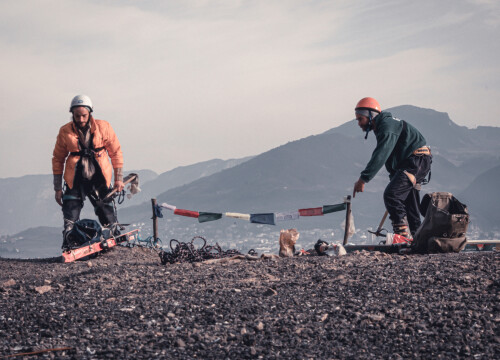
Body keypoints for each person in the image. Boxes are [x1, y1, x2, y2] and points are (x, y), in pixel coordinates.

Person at [352, 97, 432, 238]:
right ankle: (419, 239)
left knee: (392, 195)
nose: (358, 123)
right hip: (415, 162)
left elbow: (381, 154)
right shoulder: (384, 127)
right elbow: (390, 157)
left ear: (371, 116)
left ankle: (401, 237)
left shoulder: (386, 126)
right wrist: (394, 178)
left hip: (416, 161)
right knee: (410, 204)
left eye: (360, 119)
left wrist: (363, 179)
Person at [52, 95, 124, 248]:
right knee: (71, 208)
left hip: (100, 175)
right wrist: (58, 188)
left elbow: (116, 152)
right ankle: (70, 241)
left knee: (105, 207)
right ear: (72, 114)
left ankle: (112, 234)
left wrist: (118, 178)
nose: (81, 119)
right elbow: (58, 159)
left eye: (84, 115)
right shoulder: (65, 131)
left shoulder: (104, 127)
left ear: (90, 113)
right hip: (76, 176)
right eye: (77, 116)